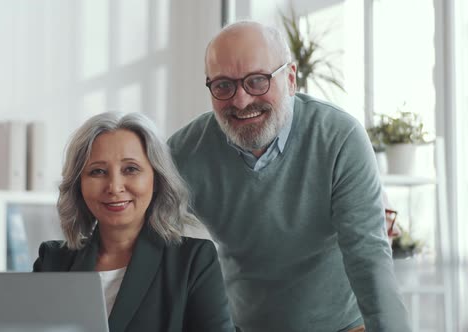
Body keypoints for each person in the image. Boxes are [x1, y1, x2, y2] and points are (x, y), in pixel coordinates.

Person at [167, 21, 411, 331]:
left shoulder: (339, 138)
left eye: (257, 81)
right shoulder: (183, 152)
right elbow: (157, 251)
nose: (240, 101)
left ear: (291, 79)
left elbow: (369, 259)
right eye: (223, 85)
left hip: (344, 326)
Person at [33, 112, 235, 332]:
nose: (115, 187)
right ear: (79, 185)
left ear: (156, 179)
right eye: (97, 171)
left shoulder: (193, 261)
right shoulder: (52, 261)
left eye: (130, 169)